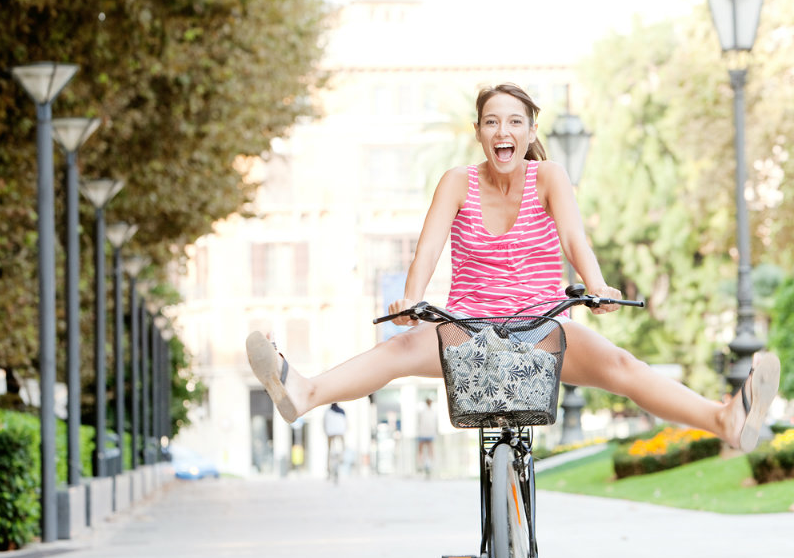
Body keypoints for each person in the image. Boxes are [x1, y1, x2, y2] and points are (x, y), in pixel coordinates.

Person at [246, 83, 780, 454]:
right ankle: (305, 392)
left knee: (620, 365)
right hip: (469, 329)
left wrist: (596, 287)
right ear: (478, 131)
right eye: (492, 121)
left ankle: (725, 419)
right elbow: (427, 250)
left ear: (529, 132)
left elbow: (575, 237)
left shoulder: (549, 177)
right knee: (400, 349)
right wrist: (411, 301)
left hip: (541, 327)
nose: (504, 130)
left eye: (515, 122)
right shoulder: (457, 181)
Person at [323, 402, 347, 480]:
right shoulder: (342, 411)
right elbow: (346, 423)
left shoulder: (327, 412)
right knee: (343, 447)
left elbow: (324, 424)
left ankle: (328, 469)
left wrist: (326, 432)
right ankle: (342, 458)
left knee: (329, 451)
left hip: (330, 434)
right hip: (340, 433)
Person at [416, 398, 438, 477]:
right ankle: (431, 464)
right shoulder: (433, 413)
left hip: (422, 433)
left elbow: (419, 422)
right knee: (430, 450)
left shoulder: (422, 412)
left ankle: (420, 464)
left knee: (420, 450)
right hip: (431, 433)